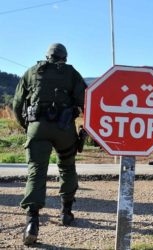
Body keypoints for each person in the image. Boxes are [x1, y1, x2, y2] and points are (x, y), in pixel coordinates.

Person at [13, 43, 86, 245]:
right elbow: (86, 100)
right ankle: (66, 212)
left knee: (36, 171)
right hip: (64, 129)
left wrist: (27, 126)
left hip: (38, 127)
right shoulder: (71, 73)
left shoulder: (31, 71)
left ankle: (32, 222)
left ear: (47, 56)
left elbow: (17, 104)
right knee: (67, 167)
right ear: (65, 57)